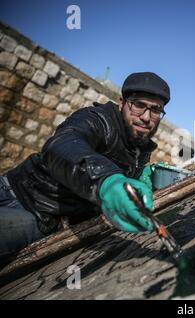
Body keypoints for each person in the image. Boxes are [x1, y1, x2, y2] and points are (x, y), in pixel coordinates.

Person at [0, 72, 170, 257]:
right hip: (26, 203)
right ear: (122, 102)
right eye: (138, 105)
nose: (146, 117)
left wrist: (142, 175)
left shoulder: (140, 146)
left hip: (54, 223)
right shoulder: (97, 120)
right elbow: (62, 144)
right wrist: (106, 181)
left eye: (155, 110)